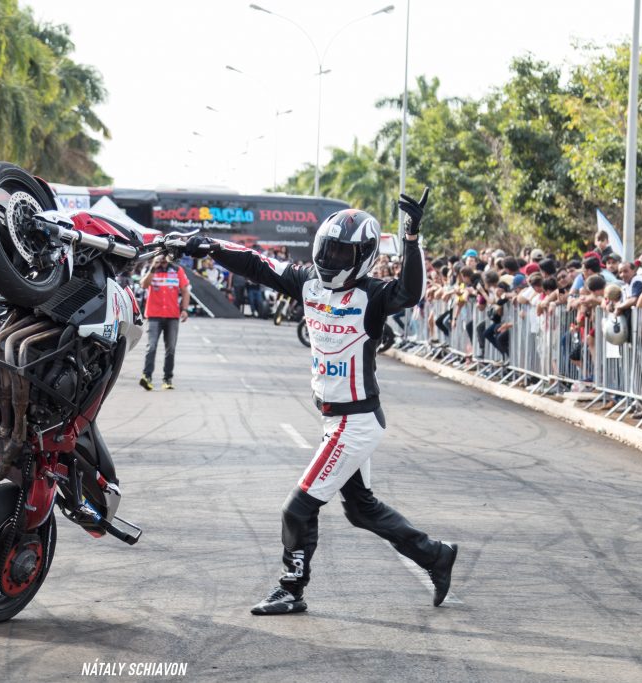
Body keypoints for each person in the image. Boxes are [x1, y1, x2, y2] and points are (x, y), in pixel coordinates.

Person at [183, 189, 458, 615]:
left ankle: (291, 589)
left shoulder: (373, 296)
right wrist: (210, 246)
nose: (330, 259)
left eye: (341, 252)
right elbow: (257, 265)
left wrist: (411, 235)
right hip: (337, 420)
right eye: (326, 249)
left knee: (297, 508)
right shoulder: (307, 282)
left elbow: (411, 291)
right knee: (361, 511)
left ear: (363, 256)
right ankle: (435, 555)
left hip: (356, 421)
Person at [138, 254, 190, 391]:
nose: (162, 258)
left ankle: (167, 379)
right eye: (160, 255)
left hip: (172, 315)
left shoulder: (177, 270)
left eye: (165, 255)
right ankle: (146, 376)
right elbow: (143, 285)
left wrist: (184, 309)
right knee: (152, 346)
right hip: (154, 315)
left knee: (170, 348)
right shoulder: (149, 269)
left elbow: (185, 291)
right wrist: (153, 268)